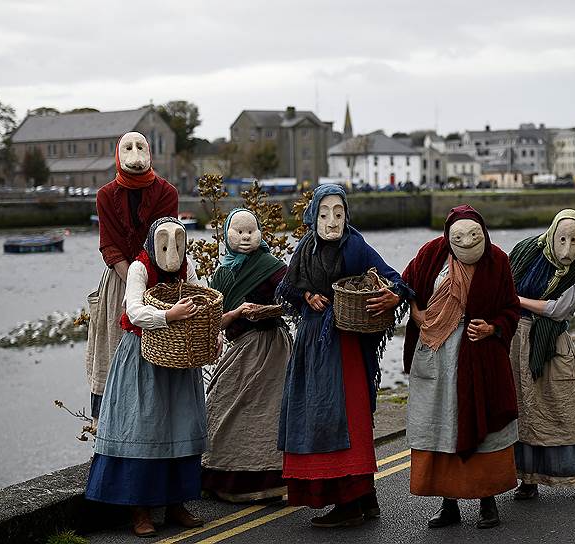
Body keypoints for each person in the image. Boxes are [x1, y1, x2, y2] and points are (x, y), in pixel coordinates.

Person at [276, 184, 413, 527]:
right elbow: (288, 288)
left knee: (348, 419)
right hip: (312, 346)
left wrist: (393, 297)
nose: (332, 221)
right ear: (312, 217)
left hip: (347, 346)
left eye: (339, 213)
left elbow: (395, 280)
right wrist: (307, 294)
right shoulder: (306, 248)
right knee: (316, 417)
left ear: (347, 215)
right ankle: (364, 499)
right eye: (324, 214)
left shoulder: (355, 245)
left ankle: (350, 502)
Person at [85, 217, 207, 538]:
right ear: (153, 244)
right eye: (165, 245)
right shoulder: (139, 268)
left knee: (181, 424)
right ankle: (139, 510)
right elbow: (134, 309)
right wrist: (168, 315)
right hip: (143, 354)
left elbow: (202, 293)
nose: (173, 253)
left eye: (178, 245)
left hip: (178, 357)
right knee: (144, 427)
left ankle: (176, 504)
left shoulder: (187, 266)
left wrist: (209, 322)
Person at [402, 205, 520, 529]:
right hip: (436, 357)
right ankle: (448, 503)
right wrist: (415, 312)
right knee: (442, 428)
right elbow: (406, 284)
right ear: (447, 237)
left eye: (474, 236)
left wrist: (492, 328)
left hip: (480, 361)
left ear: (483, 234)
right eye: (459, 237)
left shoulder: (498, 262)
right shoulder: (430, 255)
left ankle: (488, 501)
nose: (467, 242)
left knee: (482, 426)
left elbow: (512, 308)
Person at [508, 209, 575, 500]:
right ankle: (528, 480)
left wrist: (516, 301)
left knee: (568, 405)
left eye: (574, 241)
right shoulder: (524, 252)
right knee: (524, 408)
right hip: (517, 338)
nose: (567, 248)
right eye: (562, 239)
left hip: (553, 342)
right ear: (552, 234)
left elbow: (557, 310)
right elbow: (502, 285)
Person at [86, 131, 178, 429]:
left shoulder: (167, 193)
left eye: (140, 146)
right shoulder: (104, 196)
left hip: (159, 278)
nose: (135, 152)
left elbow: (168, 241)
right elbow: (109, 246)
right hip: (119, 279)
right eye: (128, 146)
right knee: (115, 349)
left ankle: (157, 425)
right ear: (118, 152)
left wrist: (149, 281)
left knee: (159, 347)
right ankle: (112, 425)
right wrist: (133, 281)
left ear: (149, 151)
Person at [202, 208, 291, 503]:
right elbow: (212, 316)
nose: (244, 237)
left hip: (270, 347)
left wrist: (276, 308)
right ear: (227, 233)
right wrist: (233, 316)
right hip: (240, 345)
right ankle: (223, 480)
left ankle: (267, 482)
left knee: (265, 414)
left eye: (250, 231)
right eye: (238, 231)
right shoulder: (222, 272)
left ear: (259, 233)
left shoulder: (272, 266)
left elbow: (291, 295)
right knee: (221, 402)